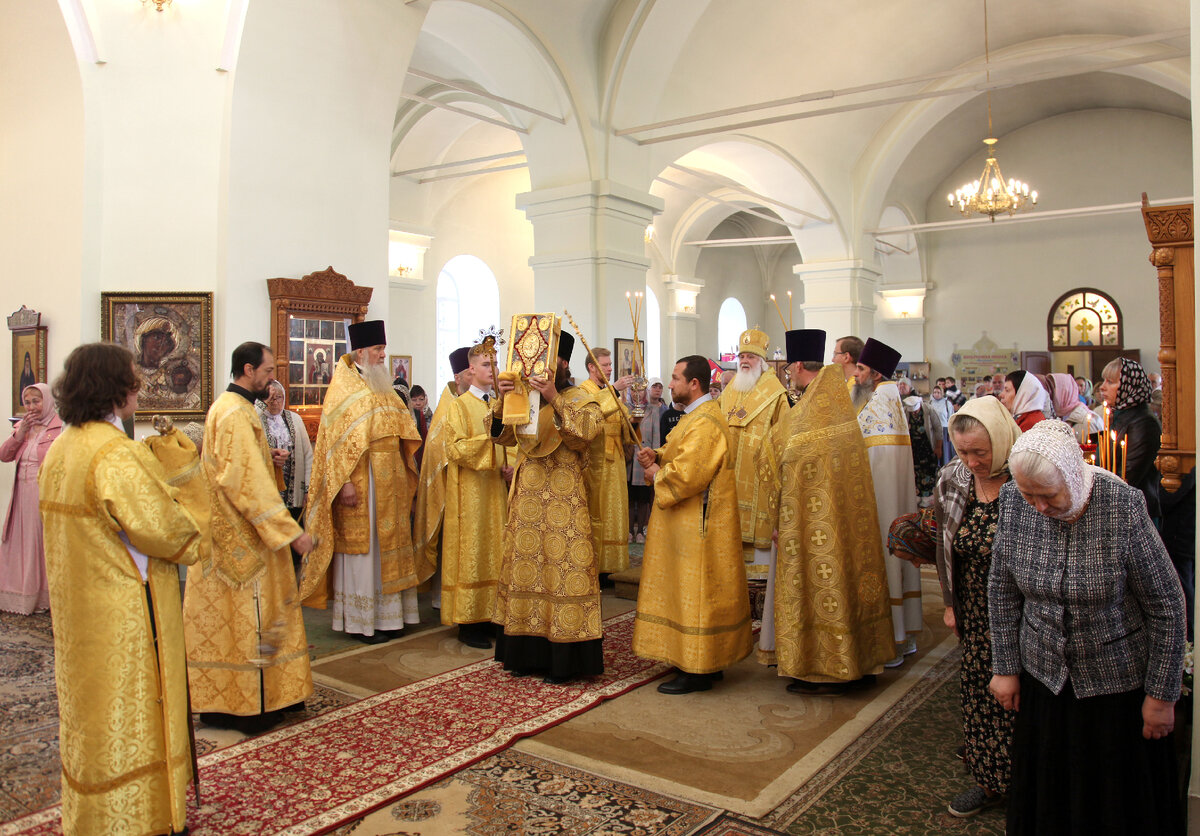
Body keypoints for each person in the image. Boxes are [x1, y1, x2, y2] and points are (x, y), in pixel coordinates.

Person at [988, 420, 1186, 835]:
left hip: (1116, 691)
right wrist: (1004, 667)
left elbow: (1167, 606)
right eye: (1029, 495)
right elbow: (1002, 589)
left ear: (1073, 475)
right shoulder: (1013, 500)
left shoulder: (1120, 504)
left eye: (1048, 495)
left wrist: (1161, 697)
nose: (1038, 506)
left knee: (1113, 806)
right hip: (1045, 681)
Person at [39, 342, 201, 835]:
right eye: (134, 378)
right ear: (116, 389)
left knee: (91, 714)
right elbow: (171, 534)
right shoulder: (115, 454)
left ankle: (94, 815)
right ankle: (141, 816)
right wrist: (183, 489)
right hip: (125, 615)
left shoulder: (62, 447)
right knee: (133, 708)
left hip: (77, 614)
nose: (141, 386)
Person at [184, 341, 315, 733]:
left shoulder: (229, 407)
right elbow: (246, 481)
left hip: (232, 528)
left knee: (237, 616)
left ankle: (248, 698)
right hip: (244, 534)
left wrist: (268, 459)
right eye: (269, 370)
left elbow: (239, 467)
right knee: (248, 618)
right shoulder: (236, 414)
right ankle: (250, 705)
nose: (272, 377)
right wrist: (290, 532)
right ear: (248, 370)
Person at [757, 329, 894, 695]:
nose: (787, 374)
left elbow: (774, 457)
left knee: (822, 585)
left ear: (798, 365)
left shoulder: (807, 414)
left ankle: (828, 669)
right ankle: (860, 661)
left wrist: (773, 516)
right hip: (848, 522)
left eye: (788, 368)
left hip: (811, 523)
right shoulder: (838, 402)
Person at [491, 325, 616, 683]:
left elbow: (583, 435)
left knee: (564, 573)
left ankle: (566, 659)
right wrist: (502, 400)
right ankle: (525, 654)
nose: (539, 368)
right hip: (528, 493)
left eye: (548, 360)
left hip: (566, 498)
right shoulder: (523, 397)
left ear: (561, 362)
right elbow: (501, 434)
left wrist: (553, 398)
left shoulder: (580, 397)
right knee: (526, 568)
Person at [633, 355, 753, 693]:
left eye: (675, 378)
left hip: (697, 527)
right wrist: (657, 455)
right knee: (689, 590)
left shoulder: (704, 422)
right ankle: (703, 660)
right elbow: (679, 451)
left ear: (694, 384)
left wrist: (659, 473)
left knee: (695, 591)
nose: (670, 384)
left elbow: (689, 474)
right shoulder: (696, 416)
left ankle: (697, 668)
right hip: (689, 523)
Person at [302, 320, 428, 643]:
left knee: (389, 549)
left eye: (383, 348)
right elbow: (331, 443)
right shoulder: (342, 388)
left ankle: (391, 618)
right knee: (365, 552)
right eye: (377, 349)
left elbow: (404, 430)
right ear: (360, 352)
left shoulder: (384, 387)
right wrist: (342, 481)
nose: (383, 355)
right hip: (361, 482)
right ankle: (363, 622)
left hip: (392, 482)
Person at [931, 397, 1022, 817]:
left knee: (1023, 697)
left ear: (1001, 441)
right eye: (963, 451)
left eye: (980, 452)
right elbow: (944, 546)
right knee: (980, 695)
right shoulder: (953, 478)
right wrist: (951, 604)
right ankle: (988, 781)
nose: (971, 461)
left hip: (1026, 614)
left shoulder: (1026, 476)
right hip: (974, 609)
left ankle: (1030, 779)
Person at [855, 338, 922, 664]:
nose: (855, 374)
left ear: (876, 374)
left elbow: (864, 458)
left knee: (884, 562)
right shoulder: (890, 399)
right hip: (896, 499)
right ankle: (904, 636)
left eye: (861, 368)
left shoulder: (878, 405)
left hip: (880, 501)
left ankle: (891, 640)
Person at [440, 338, 507, 648]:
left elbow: (513, 442)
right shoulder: (459, 406)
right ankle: (469, 623)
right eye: (485, 365)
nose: (491, 370)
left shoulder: (498, 405)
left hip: (495, 488)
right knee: (474, 549)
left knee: (497, 547)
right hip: (469, 493)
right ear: (471, 369)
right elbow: (453, 449)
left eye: (494, 364)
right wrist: (491, 445)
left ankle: (492, 615)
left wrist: (510, 462)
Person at [719, 328, 790, 586]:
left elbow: (783, 437)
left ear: (762, 361)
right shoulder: (731, 390)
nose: (745, 360)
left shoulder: (776, 394)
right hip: (730, 473)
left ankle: (761, 575)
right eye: (742, 355)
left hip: (761, 475)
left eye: (751, 356)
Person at [413, 346, 472, 610]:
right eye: (469, 372)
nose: (476, 376)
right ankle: (445, 598)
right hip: (451, 488)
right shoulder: (447, 406)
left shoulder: (483, 401)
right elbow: (438, 449)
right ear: (458, 377)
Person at [0, 383, 62, 614]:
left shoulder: (59, 429)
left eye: (36, 401)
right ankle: (18, 594)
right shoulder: (21, 427)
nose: (32, 406)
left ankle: (42, 596)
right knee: (17, 541)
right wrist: (20, 432)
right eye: (27, 402)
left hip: (43, 493)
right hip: (21, 493)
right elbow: (4, 455)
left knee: (39, 541)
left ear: (46, 401)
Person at [579, 347, 634, 577]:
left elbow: (623, 421)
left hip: (617, 460)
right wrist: (614, 390)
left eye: (611, 365)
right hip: (596, 463)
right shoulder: (583, 390)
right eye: (605, 365)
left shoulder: (608, 391)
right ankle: (597, 567)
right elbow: (588, 413)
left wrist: (633, 419)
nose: (610, 368)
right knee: (598, 511)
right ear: (592, 367)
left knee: (616, 511)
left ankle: (613, 565)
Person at [1097, 357, 1162, 523]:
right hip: (1118, 506)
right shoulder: (1119, 416)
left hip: (1136, 513)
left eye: (1110, 382)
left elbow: (1127, 476)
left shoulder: (1143, 422)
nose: (1103, 387)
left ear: (1129, 386)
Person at [256, 380, 314, 544]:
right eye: (270, 398)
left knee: (293, 536)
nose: (275, 402)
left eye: (279, 398)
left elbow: (308, 455)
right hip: (268, 492)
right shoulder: (255, 418)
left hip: (293, 489)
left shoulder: (294, 419)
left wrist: (308, 489)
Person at [629, 377, 666, 542]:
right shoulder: (625, 409)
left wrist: (655, 457)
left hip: (645, 455)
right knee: (630, 496)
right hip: (630, 456)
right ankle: (629, 530)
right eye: (634, 390)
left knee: (644, 496)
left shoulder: (653, 410)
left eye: (640, 390)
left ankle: (640, 532)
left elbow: (656, 436)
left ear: (645, 391)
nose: (637, 393)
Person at [897, 376, 939, 506]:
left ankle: (927, 495)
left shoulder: (928, 410)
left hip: (926, 447)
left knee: (927, 470)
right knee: (915, 471)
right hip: (913, 448)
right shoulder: (905, 411)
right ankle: (917, 494)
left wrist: (939, 447)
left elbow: (938, 429)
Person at [1047, 372, 1100, 443]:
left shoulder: (1087, 422)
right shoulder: (1054, 416)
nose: (1048, 394)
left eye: (1052, 390)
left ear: (1064, 392)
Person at [928, 384, 955, 464]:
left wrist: (951, 433)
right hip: (933, 430)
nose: (936, 394)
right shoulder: (929, 403)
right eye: (935, 392)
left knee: (945, 453)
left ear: (942, 393)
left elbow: (951, 418)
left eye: (938, 392)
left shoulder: (947, 404)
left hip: (944, 430)